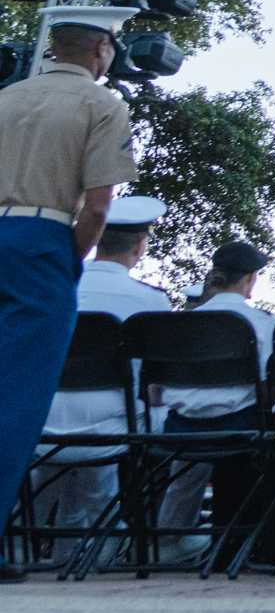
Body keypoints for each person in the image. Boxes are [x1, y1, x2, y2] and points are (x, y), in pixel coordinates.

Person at [0, 3, 141, 579]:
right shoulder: (102, 104)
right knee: (16, 396)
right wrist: (70, 256)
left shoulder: (5, 97)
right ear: (101, 49)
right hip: (42, 238)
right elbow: (101, 202)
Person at [30, 193, 171, 530]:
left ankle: (30, 545)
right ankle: (106, 543)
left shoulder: (55, 287)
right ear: (139, 246)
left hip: (43, 418)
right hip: (114, 425)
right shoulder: (151, 300)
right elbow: (157, 380)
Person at [154, 239, 275, 559]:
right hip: (239, 429)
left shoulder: (178, 325)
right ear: (250, 279)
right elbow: (267, 388)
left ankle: (168, 537)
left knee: (188, 463)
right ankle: (238, 541)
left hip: (180, 428)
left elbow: (155, 389)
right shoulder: (261, 324)